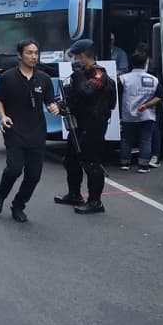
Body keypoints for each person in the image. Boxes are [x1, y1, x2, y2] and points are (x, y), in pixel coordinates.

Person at [0, 40, 59, 219]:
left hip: (37, 132)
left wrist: (53, 107)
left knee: (34, 175)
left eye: (36, 53)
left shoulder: (44, 78)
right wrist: (3, 116)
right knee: (14, 169)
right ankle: (0, 196)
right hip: (14, 130)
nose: (34, 56)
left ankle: (18, 205)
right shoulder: (7, 77)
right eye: (29, 53)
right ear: (20, 55)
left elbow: (50, 102)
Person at [58, 38, 115, 215]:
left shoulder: (99, 74)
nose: (75, 60)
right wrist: (64, 105)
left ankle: (95, 201)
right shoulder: (81, 75)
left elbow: (87, 91)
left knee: (91, 163)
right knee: (70, 160)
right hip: (78, 124)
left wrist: (78, 76)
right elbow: (75, 97)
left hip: (94, 126)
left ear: (83, 55)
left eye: (76, 56)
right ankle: (74, 194)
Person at [118, 49, 162, 173]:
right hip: (147, 115)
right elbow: (159, 97)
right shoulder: (154, 80)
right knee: (146, 139)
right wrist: (146, 105)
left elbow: (117, 94)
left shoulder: (123, 79)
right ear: (146, 63)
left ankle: (125, 163)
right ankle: (143, 165)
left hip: (128, 115)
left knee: (126, 139)